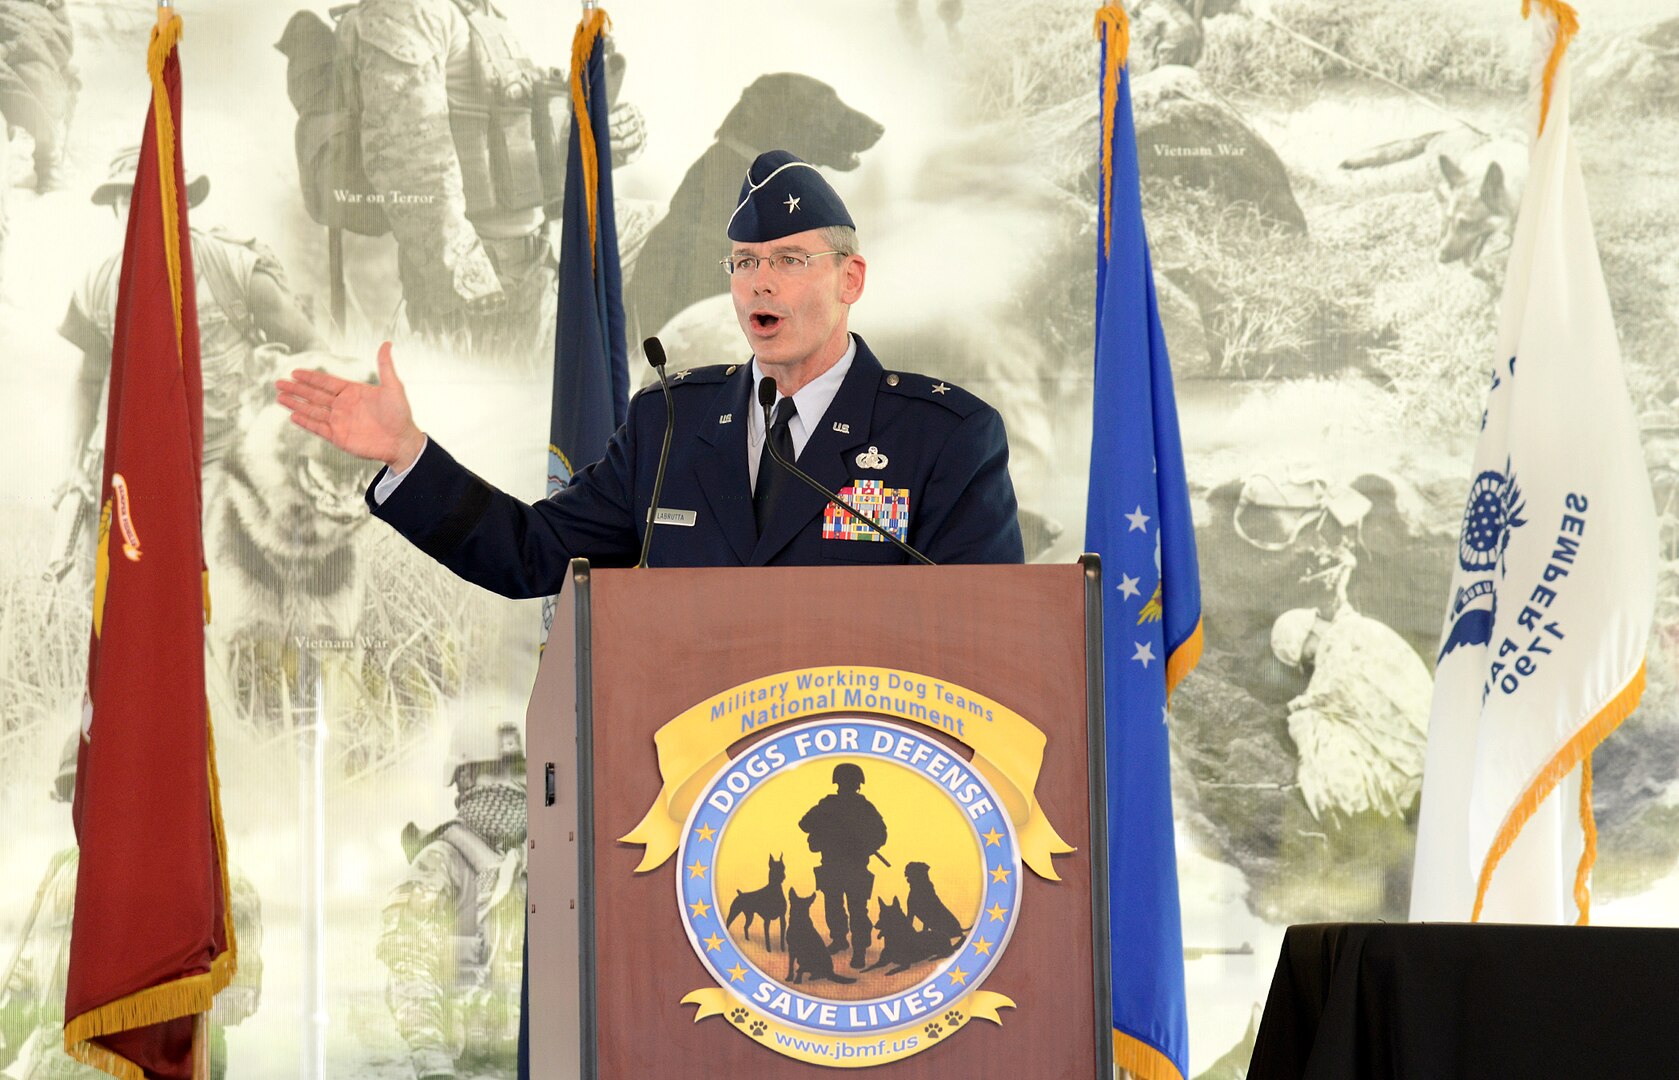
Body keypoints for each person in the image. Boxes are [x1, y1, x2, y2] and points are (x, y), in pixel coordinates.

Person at [276, 149, 1025, 586]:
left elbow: (984, 638)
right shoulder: (673, 422)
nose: (759, 283)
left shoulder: (943, 437)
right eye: (743, 263)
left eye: (790, 261)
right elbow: (532, 554)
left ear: (849, 280)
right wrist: (409, 455)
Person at [350, 0, 645, 359]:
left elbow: (517, 143)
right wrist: (475, 291)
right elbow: (407, 170)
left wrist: (599, 140)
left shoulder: (480, 13)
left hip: (538, 252)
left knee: (677, 237)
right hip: (491, 278)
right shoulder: (411, 12)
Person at [0, 734, 263, 1080]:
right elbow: (27, 990)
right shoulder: (64, 873)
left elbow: (237, 997)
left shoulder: (211, 883)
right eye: (85, 794)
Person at [379, 714, 527, 1080]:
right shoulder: (441, 864)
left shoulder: (536, 863)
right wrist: (434, 1064)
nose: (514, 787)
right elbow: (408, 963)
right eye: (499, 773)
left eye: (520, 773)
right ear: (465, 778)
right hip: (461, 1071)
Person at [797, 763, 888, 969]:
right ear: (858, 783)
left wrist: (864, 843)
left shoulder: (849, 806)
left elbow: (881, 834)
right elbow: (804, 824)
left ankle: (856, 949)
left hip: (846, 866)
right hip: (840, 866)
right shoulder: (843, 806)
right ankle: (846, 943)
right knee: (845, 908)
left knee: (848, 908)